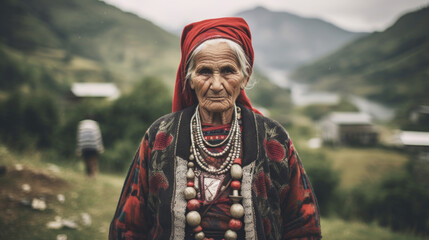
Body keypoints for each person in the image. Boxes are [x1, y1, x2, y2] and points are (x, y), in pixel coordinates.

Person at [109, 17, 321, 240]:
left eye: (228, 71)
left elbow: (304, 227)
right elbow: (128, 226)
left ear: (244, 77)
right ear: (189, 79)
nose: (217, 85)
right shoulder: (160, 135)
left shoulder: (274, 139)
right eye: (204, 72)